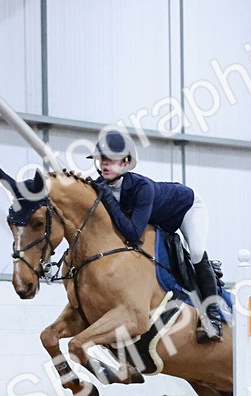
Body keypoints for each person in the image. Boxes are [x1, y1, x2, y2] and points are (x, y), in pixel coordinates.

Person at [86, 130, 225, 343]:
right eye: (103, 159)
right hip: (160, 221)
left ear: (125, 163)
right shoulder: (101, 186)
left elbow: (133, 234)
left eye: (111, 160)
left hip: (186, 209)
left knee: (197, 252)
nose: (105, 164)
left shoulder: (142, 188)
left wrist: (109, 199)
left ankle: (213, 316)